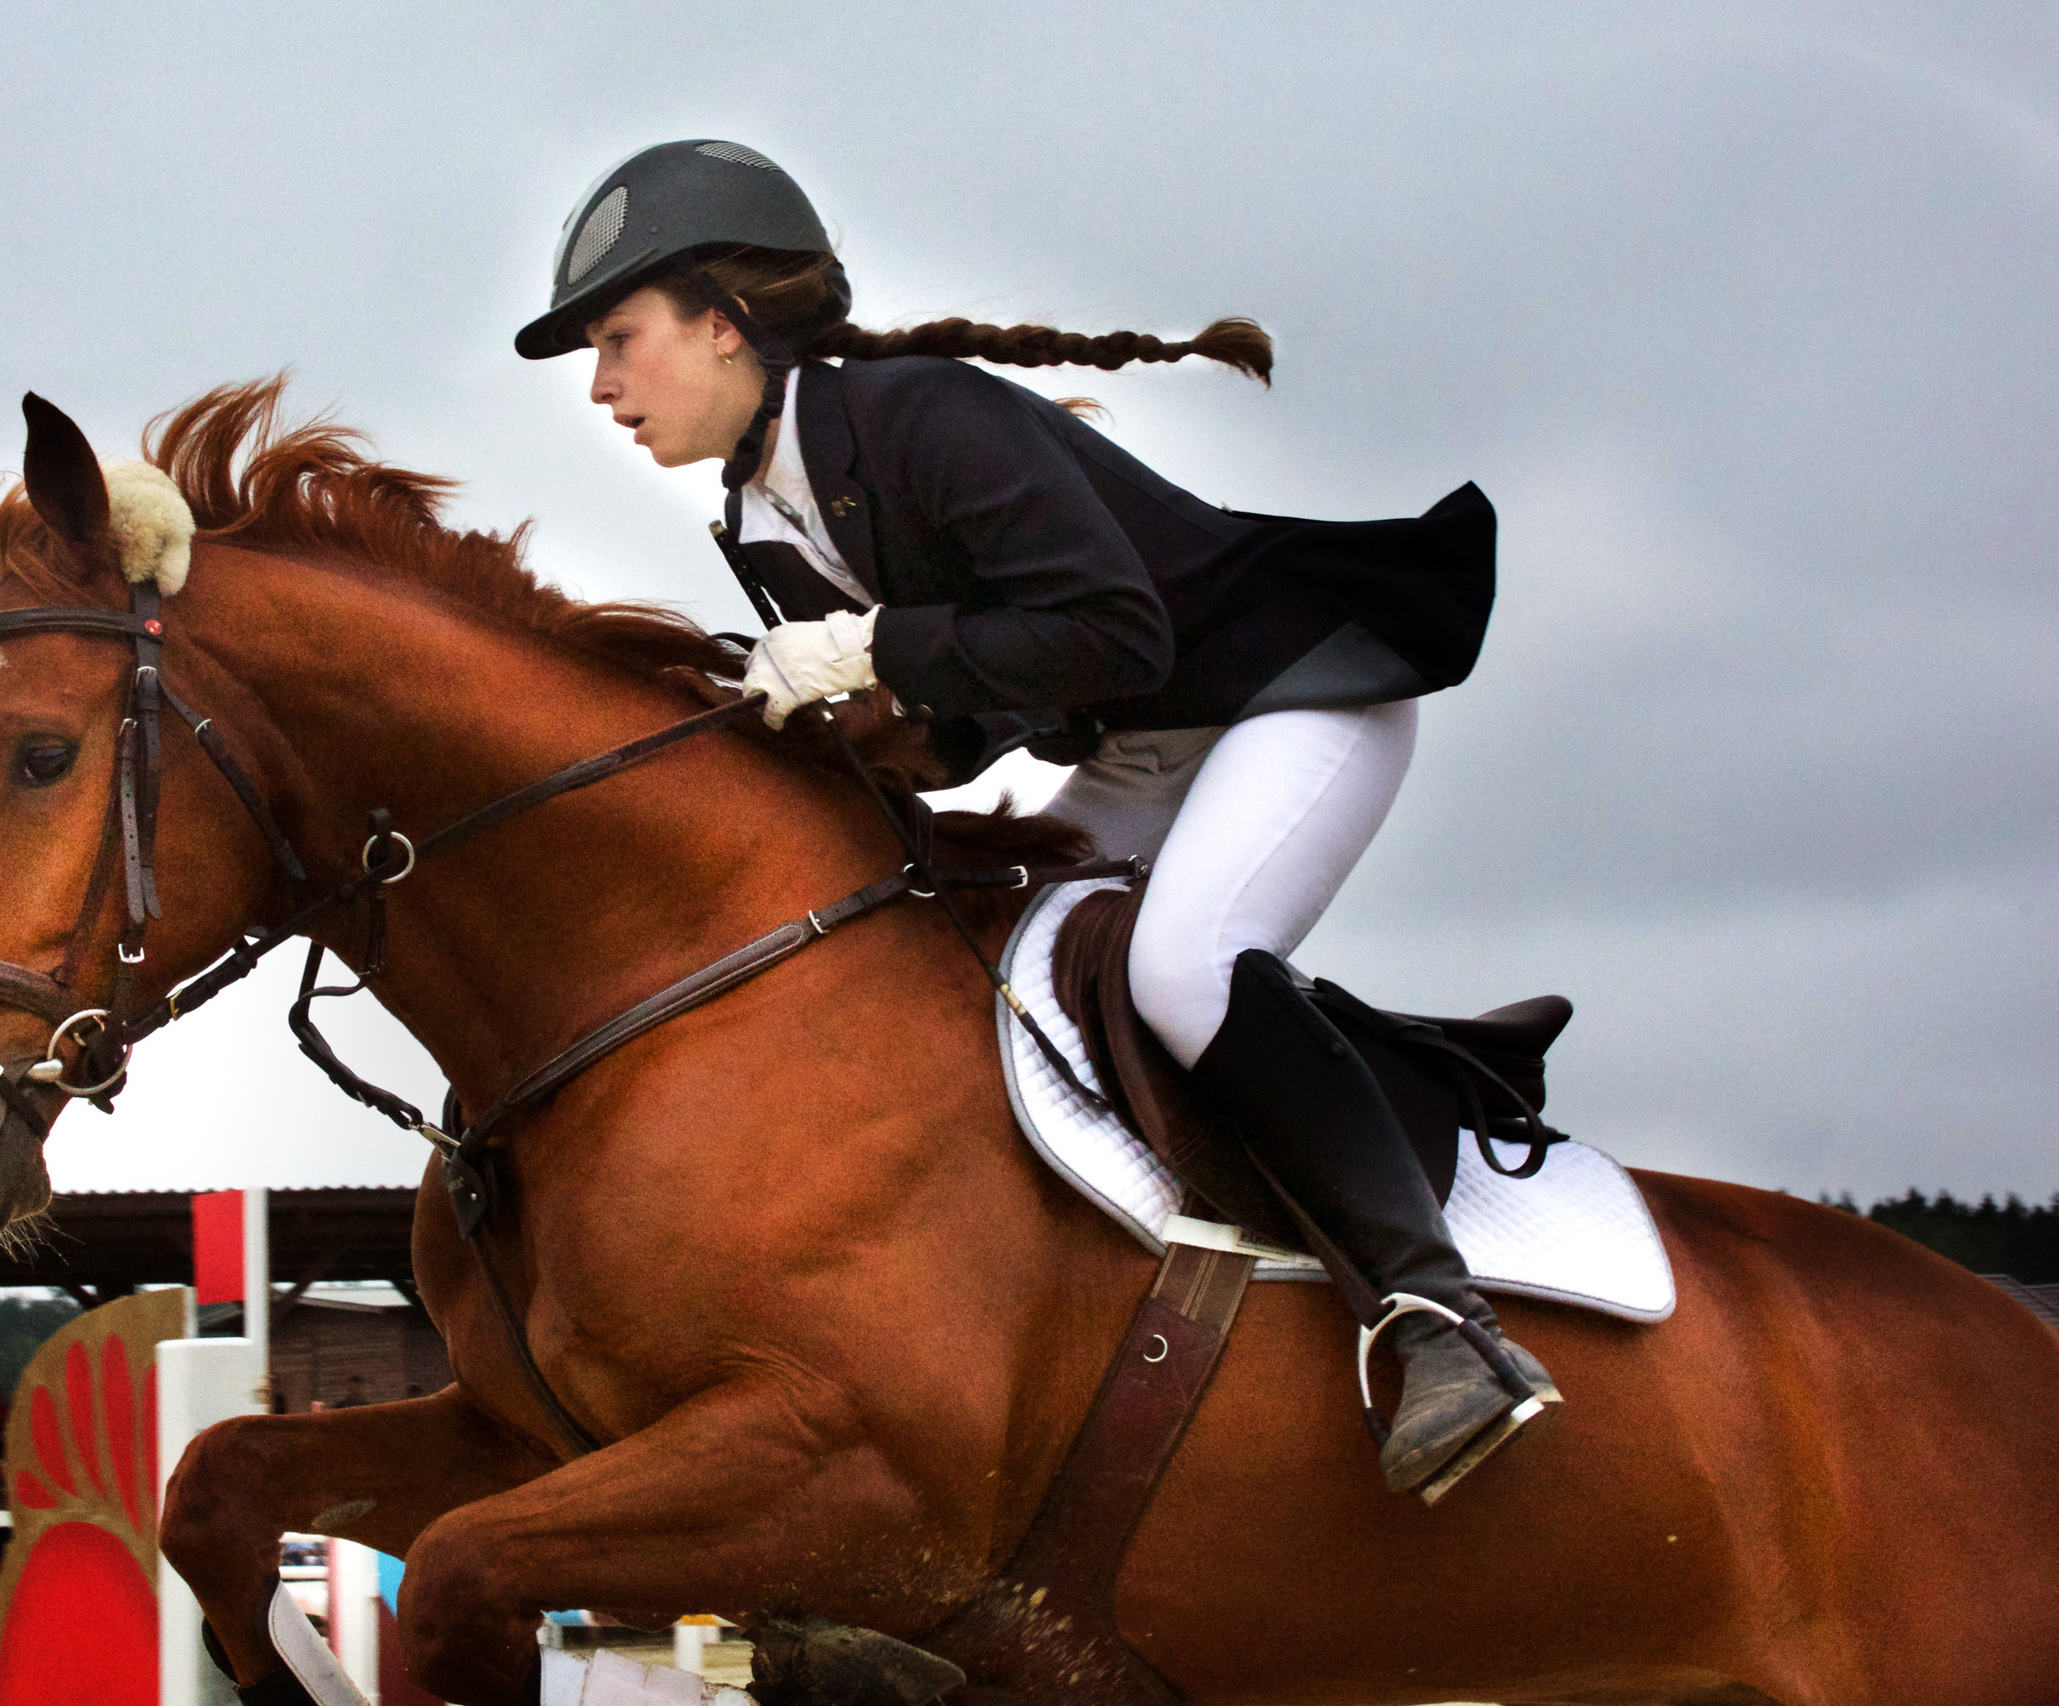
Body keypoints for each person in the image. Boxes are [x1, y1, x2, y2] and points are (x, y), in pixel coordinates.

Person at [516, 140, 1557, 1499]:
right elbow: (971, 715)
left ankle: (1441, 1322)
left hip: (1296, 693)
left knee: (1178, 965)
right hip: (1142, 740)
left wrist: (873, 645)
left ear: (724, 322)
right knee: (981, 975)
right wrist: (844, 733)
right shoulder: (754, 518)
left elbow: (1111, 630)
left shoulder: (922, 413)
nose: (600, 386)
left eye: (618, 339)